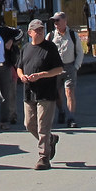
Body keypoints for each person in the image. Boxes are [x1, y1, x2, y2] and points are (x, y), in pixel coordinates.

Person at [17, 19, 64, 170]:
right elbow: (19, 67)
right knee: (29, 124)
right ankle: (51, 140)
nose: (39, 32)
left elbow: (58, 69)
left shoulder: (50, 48)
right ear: (29, 33)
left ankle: (44, 157)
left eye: (41, 30)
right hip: (29, 91)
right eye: (36, 30)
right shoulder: (25, 48)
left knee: (43, 126)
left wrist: (42, 74)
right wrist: (22, 76)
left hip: (46, 93)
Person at [46, 11, 84, 128]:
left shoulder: (72, 35)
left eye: (58, 20)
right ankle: (61, 111)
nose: (56, 23)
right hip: (56, 68)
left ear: (64, 21)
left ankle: (71, 117)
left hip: (69, 66)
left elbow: (80, 52)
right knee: (57, 93)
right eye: (54, 21)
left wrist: (76, 67)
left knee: (69, 92)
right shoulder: (51, 36)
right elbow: (45, 52)